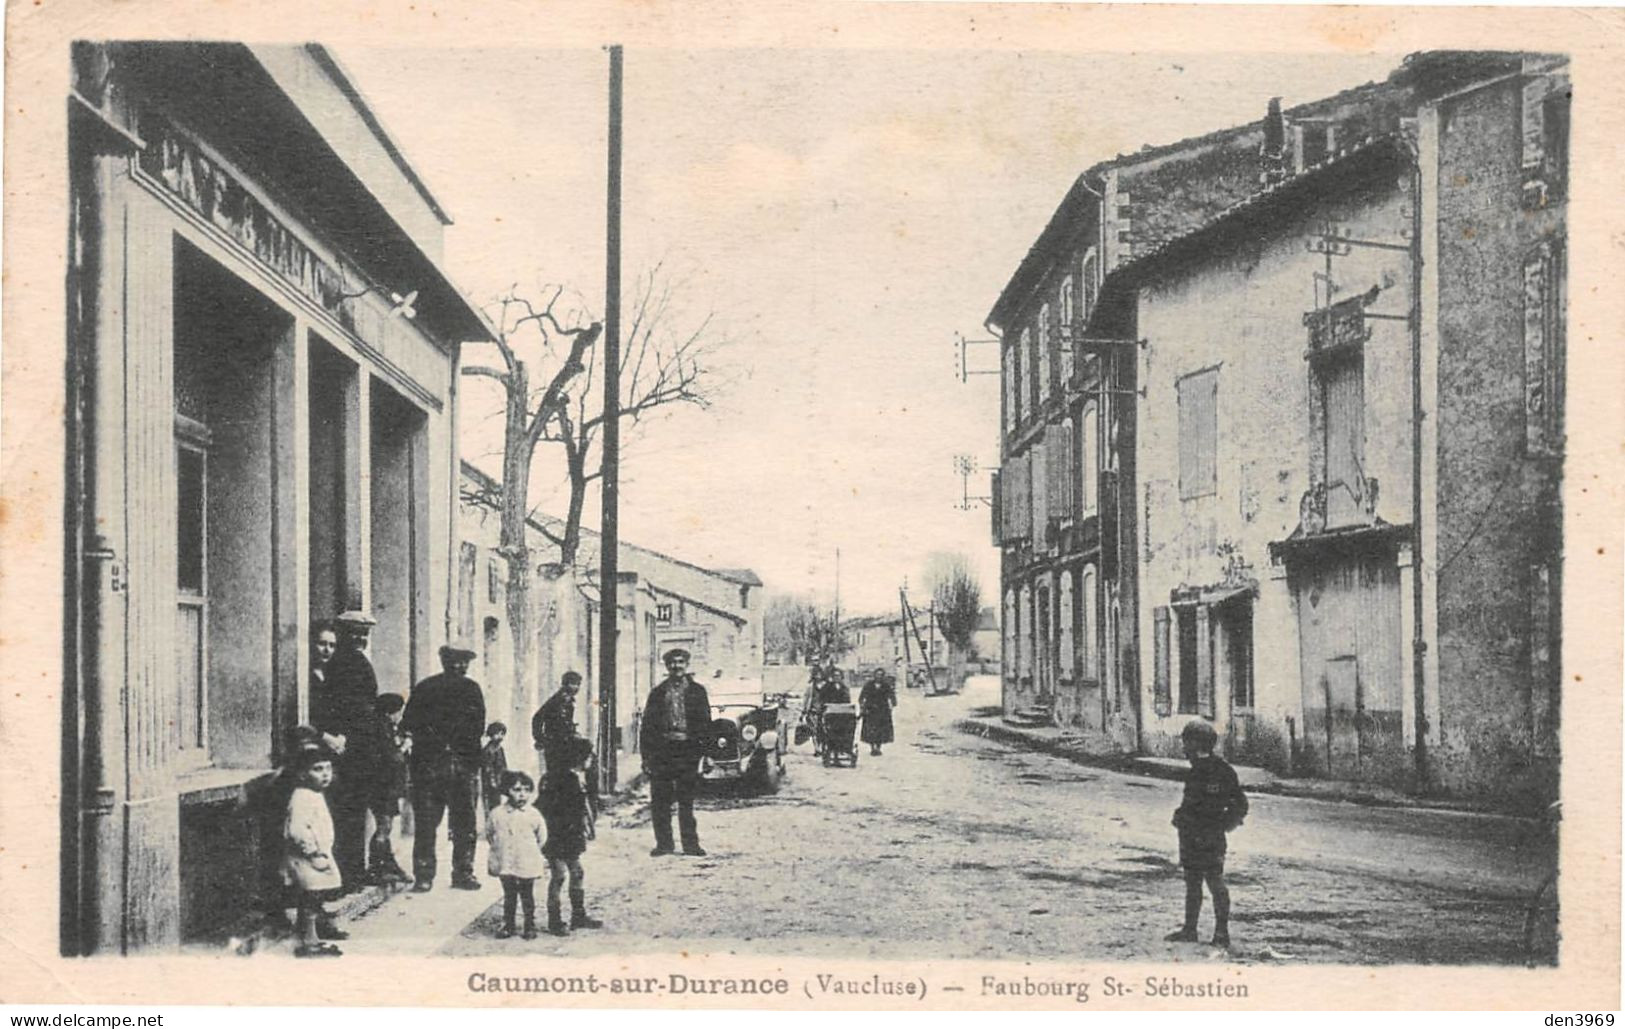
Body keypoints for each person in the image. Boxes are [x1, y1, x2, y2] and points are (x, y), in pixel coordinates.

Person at [402, 642, 486, 892]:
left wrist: (465, 759)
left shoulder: (472, 690)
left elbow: (478, 727)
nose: (459, 666)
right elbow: (410, 723)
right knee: (427, 823)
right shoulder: (426, 689)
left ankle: (463, 873)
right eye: (454, 660)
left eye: (464, 662)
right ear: (443, 661)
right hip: (429, 767)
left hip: (463, 766)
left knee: (465, 823)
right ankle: (424, 875)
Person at [310, 610, 379, 891]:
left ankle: (354, 872)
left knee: (354, 814)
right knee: (343, 813)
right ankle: (345, 876)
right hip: (344, 751)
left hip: (360, 750)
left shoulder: (358, 662)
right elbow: (336, 710)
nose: (360, 639)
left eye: (364, 635)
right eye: (355, 635)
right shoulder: (339, 666)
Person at [1165, 719, 1249, 948]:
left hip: (1208, 836)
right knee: (1193, 882)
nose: (1183, 748)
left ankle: (1221, 933)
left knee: (1214, 881)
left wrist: (1223, 825)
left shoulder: (1216, 771)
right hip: (1192, 836)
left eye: (1186, 742)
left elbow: (1239, 803)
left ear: (1196, 743)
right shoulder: (1203, 769)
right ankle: (1190, 929)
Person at [639, 648, 712, 857]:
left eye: (680, 662)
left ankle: (691, 845)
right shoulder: (658, 693)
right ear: (666, 666)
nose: (676, 666)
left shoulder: (698, 692)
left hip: (688, 751)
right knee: (660, 800)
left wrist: (706, 754)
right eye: (672, 663)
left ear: (687, 665)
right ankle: (664, 844)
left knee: (686, 800)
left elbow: (706, 724)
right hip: (663, 751)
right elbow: (647, 727)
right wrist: (646, 757)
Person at [282, 743, 344, 958]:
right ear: (302, 774)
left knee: (313, 897)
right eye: (317, 769)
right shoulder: (302, 797)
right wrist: (313, 852)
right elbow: (296, 829)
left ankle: (310, 934)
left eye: (328, 768)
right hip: (307, 858)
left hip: (317, 855)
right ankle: (309, 939)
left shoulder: (313, 794)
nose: (325, 774)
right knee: (310, 897)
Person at [540, 736, 604, 935]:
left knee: (577, 872)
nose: (592, 760)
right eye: (589, 756)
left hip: (570, 837)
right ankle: (554, 921)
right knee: (558, 876)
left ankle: (578, 915)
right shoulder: (558, 780)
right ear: (579, 757)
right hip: (557, 837)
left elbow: (583, 806)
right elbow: (546, 809)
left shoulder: (576, 778)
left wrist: (589, 826)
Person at [485, 771, 548, 940]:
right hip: (506, 860)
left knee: (527, 895)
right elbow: (490, 834)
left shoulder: (533, 814)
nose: (522, 794)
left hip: (526, 860)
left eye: (527, 790)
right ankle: (509, 925)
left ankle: (529, 925)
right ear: (507, 791)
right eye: (517, 789)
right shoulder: (497, 814)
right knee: (509, 895)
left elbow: (541, 838)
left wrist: (529, 850)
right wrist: (501, 849)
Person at [367, 694, 412, 884]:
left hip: (386, 786)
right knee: (384, 826)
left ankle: (386, 864)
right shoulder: (381, 729)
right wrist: (403, 747)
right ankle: (376, 867)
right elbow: (390, 758)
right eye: (398, 712)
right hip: (382, 786)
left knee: (385, 826)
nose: (399, 716)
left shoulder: (384, 727)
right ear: (389, 712)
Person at [531, 672, 582, 776]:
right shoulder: (557, 700)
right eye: (573, 683)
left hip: (565, 744)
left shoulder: (568, 701)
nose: (576, 687)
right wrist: (540, 738)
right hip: (555, 745)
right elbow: (537, 717)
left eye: (578, 684)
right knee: (556, 775)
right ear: (565, 684)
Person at [859, 670, 897, 757]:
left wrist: (893, 704)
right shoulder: (869, 685)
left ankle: (878, 748)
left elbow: (892, 696)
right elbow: (862, 696)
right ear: (874, 675)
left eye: (880, 675)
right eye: (877, 675)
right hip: (870, 710)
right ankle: (872, 747)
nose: (878, 676)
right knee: (871, 729)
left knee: (881, 730)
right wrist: (862, 705)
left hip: (882, 710)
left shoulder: (886, 685)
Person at [480, 722, 509, 814]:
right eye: (497, 734)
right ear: (491, 735)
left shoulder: (500, 749)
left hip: (498, 780)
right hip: (490, 783)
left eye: (502, 734)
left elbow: (504, 765)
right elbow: (488, 768)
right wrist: (492, 782)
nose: (500, 736)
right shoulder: (488, 750)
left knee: (498, 804)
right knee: (490, 804)